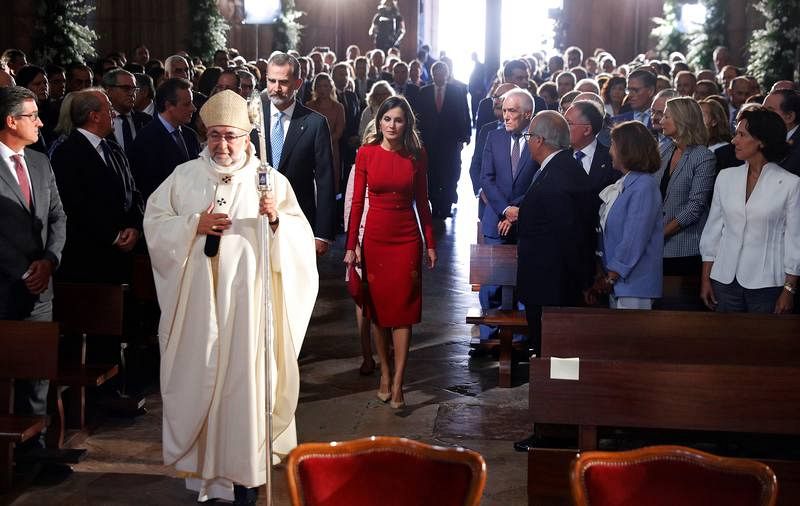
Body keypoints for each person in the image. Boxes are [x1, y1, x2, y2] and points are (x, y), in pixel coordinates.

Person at [143, 90, 318, 505]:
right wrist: (193, 224)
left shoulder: (269, 181)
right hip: (200, 306)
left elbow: (299, 242)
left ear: (247, 137)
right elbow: (155, 222)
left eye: (231, 136)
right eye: (214, 135)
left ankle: (246, 478)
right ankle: (208, 476)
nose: (222, 144)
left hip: (248, 308)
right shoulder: (185, 176)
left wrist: (275, 219)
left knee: (245, 387)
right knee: (201, 379)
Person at [344, 95, 436, 409]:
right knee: (378, 312)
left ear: (407, 123)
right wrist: (351, 246)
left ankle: (398, 382)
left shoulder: (417, 155)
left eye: (398, 120)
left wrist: (430, 243)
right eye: (387, 119)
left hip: (407, 238)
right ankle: (384, 372)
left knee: (403, 311)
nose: (392, 125)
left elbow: (423, 202)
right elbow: (357, 202)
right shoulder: (366, 153)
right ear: (379, 121)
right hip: (375, 237)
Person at [0, 85, 66, 449]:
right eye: (33, 116)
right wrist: (25, 270)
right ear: (11, 121)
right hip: (5, 287)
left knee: (38, 374)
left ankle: (35, 450)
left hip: (41, 289)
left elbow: (58, 216)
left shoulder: (40, 162)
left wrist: (50, 261)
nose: (41, 123)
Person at [699, 106, 799, 313]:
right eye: (736, 134)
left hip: (767, 284)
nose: (734, 140)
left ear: (762, 141)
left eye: (742, 135)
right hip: (723, 280)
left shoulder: (790, 184)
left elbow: (794, 241)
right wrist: (706, 279)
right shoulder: (725, 177)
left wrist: (789, 290)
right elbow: (712, 232)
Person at [516, 111, 597, 355]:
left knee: (553, 351)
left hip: (552, 285)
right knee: (550, 351)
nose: (528, 142)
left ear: (539, 140)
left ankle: (551, 379)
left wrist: (584, 280)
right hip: (549, 281)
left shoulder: (557, 176)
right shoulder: (561, 167)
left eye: (529, 136)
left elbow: (569, 233)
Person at [50, 89, 144, 283]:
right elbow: (73, 207)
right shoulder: (66, 154)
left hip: (122, 258)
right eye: (109, 109)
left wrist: (135, 227)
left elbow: (133, 193)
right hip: (88, 262)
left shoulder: (114, 149)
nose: (113, 114)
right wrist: (114, 236)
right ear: (94, 116)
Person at [256, 52, 336, 255]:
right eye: (271, 81)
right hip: (255, 218)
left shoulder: (315, 124)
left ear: (298, 83)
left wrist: (322, 233)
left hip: (298, 220)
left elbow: (325, 181)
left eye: (283, 82)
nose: (276, 88)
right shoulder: (253, 118)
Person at [476, 88, 537, 341]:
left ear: (527, 114)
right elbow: (486, 179)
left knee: (525, 282)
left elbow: (538, 181)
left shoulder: (538, 140)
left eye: (512, 111)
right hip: (496, 219)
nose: (505, 116)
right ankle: (488, 338)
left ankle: (521, 339)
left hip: (526, 221)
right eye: (504, 110)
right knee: (491, 284)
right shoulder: (494, 137)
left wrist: (517, 211)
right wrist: (505, 210)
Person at [586, 121, 663, 309]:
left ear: (627, 149)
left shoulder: (644, 186)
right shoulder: (626, 183)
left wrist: (612, 275)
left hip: (635, 285)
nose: (610, 151)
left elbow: (634, 237)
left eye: (613, 145)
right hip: (620, 283)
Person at [655, 97, 716, 276]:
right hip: (656, 248)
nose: (661, 121)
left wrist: (660, 234)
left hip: (684, 250)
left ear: (682, 120)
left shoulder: (703, 157)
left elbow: (695, 207)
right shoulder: (663, 150)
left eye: (666, 117)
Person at [128, 78, 201, 201]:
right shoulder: (146, 139)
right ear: (168, 106)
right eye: (187, 104)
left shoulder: (190, 135)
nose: (193, 108)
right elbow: (147, 187)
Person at [416, 61, 471, 218]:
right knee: (432, 173)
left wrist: (466, 135)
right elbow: (419, 116)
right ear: (432, 75)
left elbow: (464, 112)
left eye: (442, 73)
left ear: (447, 74)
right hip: (430, 140)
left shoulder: (457, 91)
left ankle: (446, 206)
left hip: (451, 140)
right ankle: (435, 205)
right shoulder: (424, 91)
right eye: (436, 73)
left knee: (451, 172)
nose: (439, 76)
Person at [305, 72, 345, 195]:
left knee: (331, 180)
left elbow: (339, 131)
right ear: (315, 88)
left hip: (332, 149)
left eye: (326, 86)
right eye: (320, 86)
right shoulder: (309, 106)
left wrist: (324, 142)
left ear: (331, 87)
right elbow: (306, 129)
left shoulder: (338, 107)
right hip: (312, 149)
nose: (323, 89)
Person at [699, 98, 739, 174]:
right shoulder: (689, 147)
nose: (696, 120)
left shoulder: (726, 151)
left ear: (714, 121)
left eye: (701, 115)